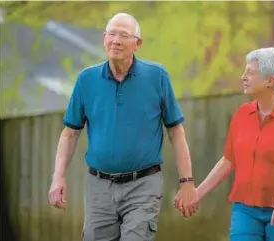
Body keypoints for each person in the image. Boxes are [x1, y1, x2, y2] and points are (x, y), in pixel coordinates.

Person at [48, 13, 198, 241]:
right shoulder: (86, 80)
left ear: (137, 44)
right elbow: (70, 133)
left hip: (143, 184)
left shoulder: (157, 76)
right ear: (104, 38)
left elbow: (176, 132)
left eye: (124, 35)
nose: (116, 40)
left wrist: (187, 182)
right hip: (98, 187)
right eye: (112, 34)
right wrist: (58, 177)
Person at [192, 47, 274, 241]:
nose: (243, 77)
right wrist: (198, 193)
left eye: (250, 72)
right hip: (246, 209)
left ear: (270, 81)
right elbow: (228, 161)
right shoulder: (241, 114)